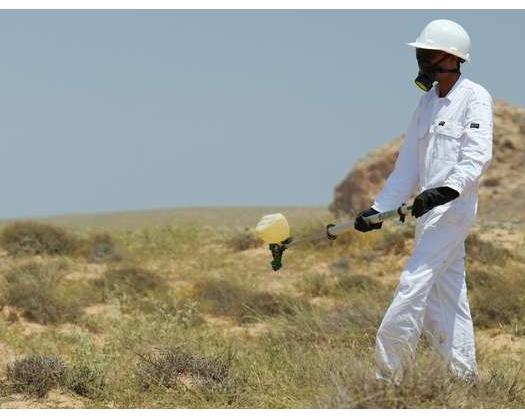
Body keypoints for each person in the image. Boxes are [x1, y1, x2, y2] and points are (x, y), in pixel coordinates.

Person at [353, 19, 493, 383]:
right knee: (450, 296)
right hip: (427, 215)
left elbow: (477, 156)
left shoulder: (475, 97)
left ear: (448, 56)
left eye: (426, 53)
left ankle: (388, 378)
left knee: (412, 284)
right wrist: (378, 209)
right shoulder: (426, 103)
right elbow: (407, 167)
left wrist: (447, 189)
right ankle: (464, 378)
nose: (421, 59)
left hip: (453, 211)